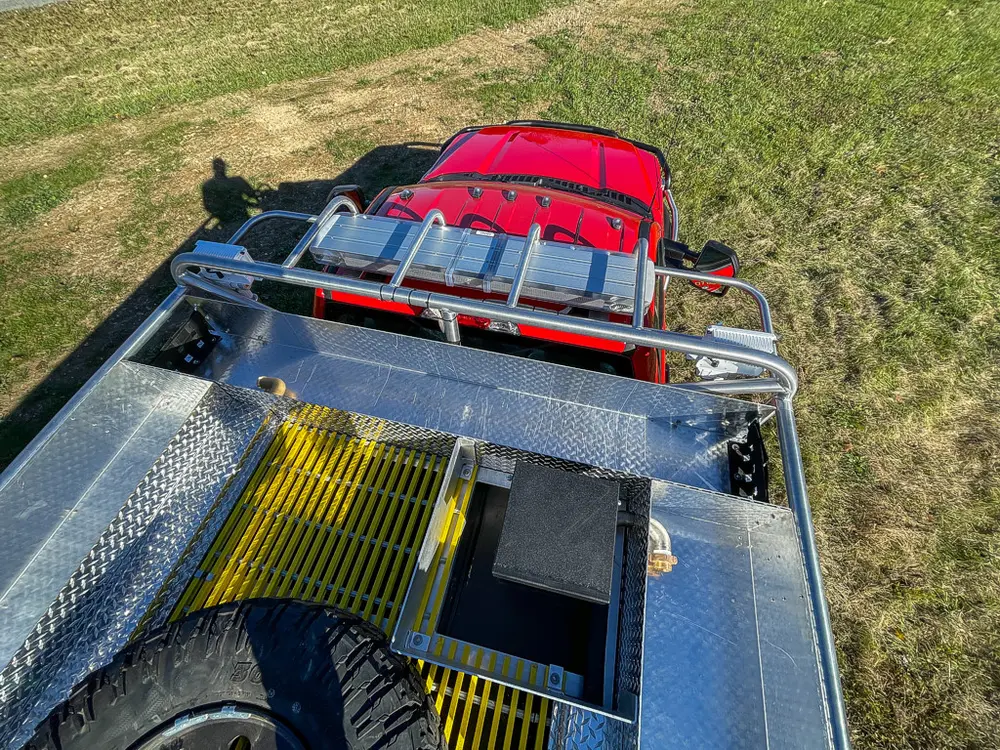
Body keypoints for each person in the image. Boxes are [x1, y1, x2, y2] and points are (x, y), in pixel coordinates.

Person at [201, 158, 258, 225]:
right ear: (224, 167)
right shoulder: (237, 181)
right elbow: (253, 194)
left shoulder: (208, 185)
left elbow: (208, 206)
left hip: (227, 221)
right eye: (219, 166)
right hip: (238, 219)